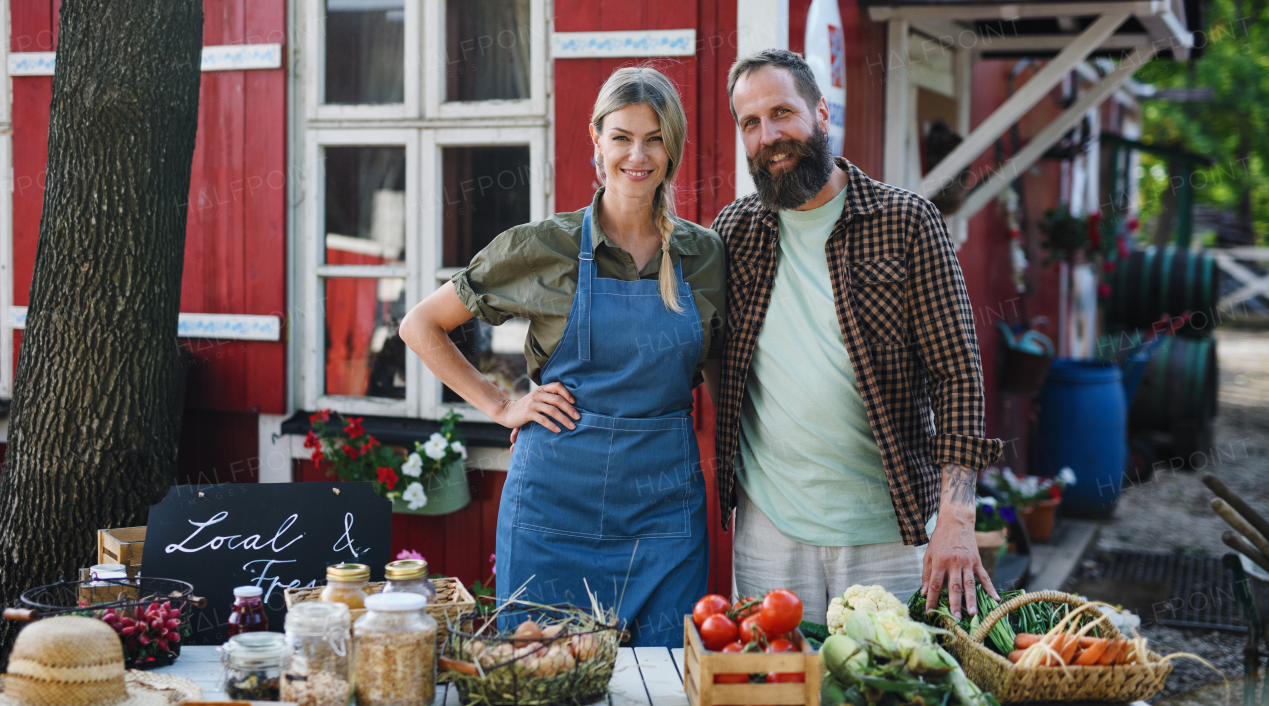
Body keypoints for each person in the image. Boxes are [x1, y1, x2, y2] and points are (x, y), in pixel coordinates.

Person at [400, 67, 725, 647]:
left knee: (666, 676)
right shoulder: (542, 246)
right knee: (543, 672)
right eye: (622, 136)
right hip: (554, 510)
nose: (638, 154)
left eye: (654, 138)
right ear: (595, 140)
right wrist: (501, 406)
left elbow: (722, 368)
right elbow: (420, 325)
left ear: (672, 144)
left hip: (663, 513)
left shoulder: (703, 255)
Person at [704, 49, 1003, 626]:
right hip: (768, 532)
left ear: (821, 114)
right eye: (750, 122)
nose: (769, 136)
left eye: (782, 113)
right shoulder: (733, 232)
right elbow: (710, 351)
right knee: (779, 689)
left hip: (888, 533)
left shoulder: (907, 221)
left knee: (885, 686)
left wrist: (957, 520)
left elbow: (957, 375)